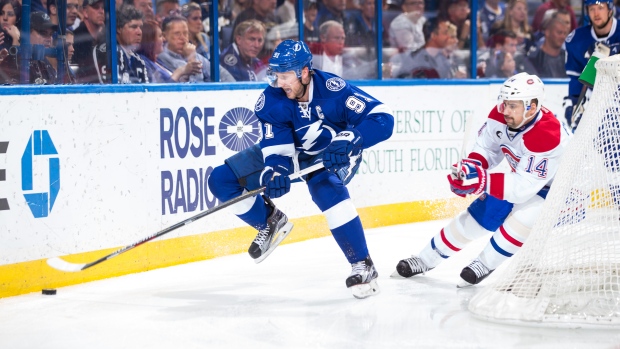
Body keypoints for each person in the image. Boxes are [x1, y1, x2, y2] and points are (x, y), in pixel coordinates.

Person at [207, 39, 394, 298]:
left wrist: (352, 138)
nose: (279, 82)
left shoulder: (334, 90)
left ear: (305, 72)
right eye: (276, 75)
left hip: (331, 155)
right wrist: (275, 171)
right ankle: (269, 222)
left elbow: (383, 118)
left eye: (286, 76)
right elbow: (278, 149)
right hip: (292, 151)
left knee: (324, 188)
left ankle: (362, 264)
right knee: (221, 180)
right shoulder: (271, 100)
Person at [395, 73, 571, 286]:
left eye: (513, 106)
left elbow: (523, 189)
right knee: (478, 217)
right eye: (505, 103)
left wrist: (480, 180)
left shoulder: (548, 134)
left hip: (564, 189)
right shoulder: (500, 116)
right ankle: (424, 259)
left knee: (522, 219)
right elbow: (487, 148)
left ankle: (484, 264)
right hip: (526, 178)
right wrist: (470, 169)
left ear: (532, 107)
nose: (505, 111)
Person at [564, 0, 620, 127]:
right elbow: (577, 78)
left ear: (610, 9)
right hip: (597, 103)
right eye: (591, 9)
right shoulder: (577, 40)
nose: (596, 13)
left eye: (600, 7)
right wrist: (574, 103)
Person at [158, 15, 235, 82]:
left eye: (185, 33)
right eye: (177, 34)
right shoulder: (162, 58)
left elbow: (223, 75)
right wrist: (191, 59)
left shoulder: (194, 54)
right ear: (164, 36)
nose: (183, 38)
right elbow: (193, 86)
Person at [527, 11, 569, 78]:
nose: (563, 37)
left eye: (565, 33)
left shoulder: (568, 58)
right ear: (547, 32)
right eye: (559, 33)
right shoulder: (534, 58)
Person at [72, 0, 104, 83]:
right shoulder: (77, 38)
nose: (101, 11)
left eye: (104, 8)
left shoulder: (106, 37)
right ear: (85, 12)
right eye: (96, 7)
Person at [116, 5, 148, 84]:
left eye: (140, 27)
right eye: (133, 27)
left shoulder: (139, 61)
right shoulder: (110, 55)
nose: (139, 32)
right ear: (119, 29)